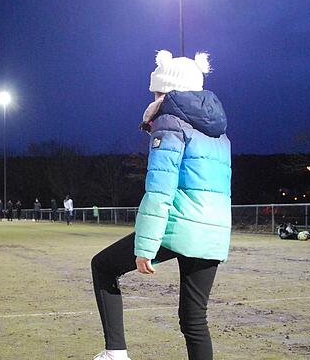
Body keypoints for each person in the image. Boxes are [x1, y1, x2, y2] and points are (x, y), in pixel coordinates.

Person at [90, 50, 231, 360]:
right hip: (212, 233)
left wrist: (146, 245)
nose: (153, 96)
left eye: (157, 90)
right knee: (194, 320)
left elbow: (160, 190)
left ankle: (115, 353)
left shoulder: (169, 121)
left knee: (102, 266)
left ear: (171, 90)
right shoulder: (220, 133)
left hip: (179, 226)